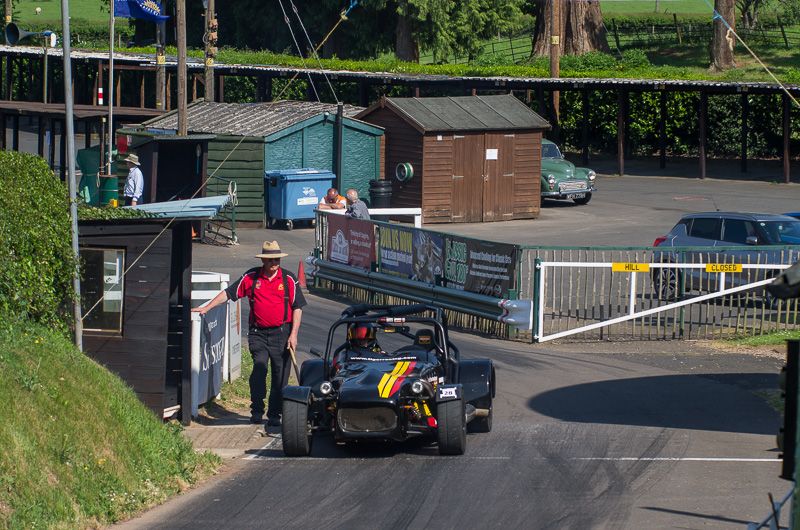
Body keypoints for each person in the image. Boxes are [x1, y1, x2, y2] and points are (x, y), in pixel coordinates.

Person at [191, 240, 306, 427]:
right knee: (259, 368)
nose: (274, 263)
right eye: (270, 260)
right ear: (263, 261)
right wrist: (207, 308)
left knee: (280, 376)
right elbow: (229, 293)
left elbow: (297, 308)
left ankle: (275, 414)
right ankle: (257, 409)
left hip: (282, 334)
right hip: (258, 333)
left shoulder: (288, 279)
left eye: (276, 259)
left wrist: (293, 335)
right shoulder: (251, 277)